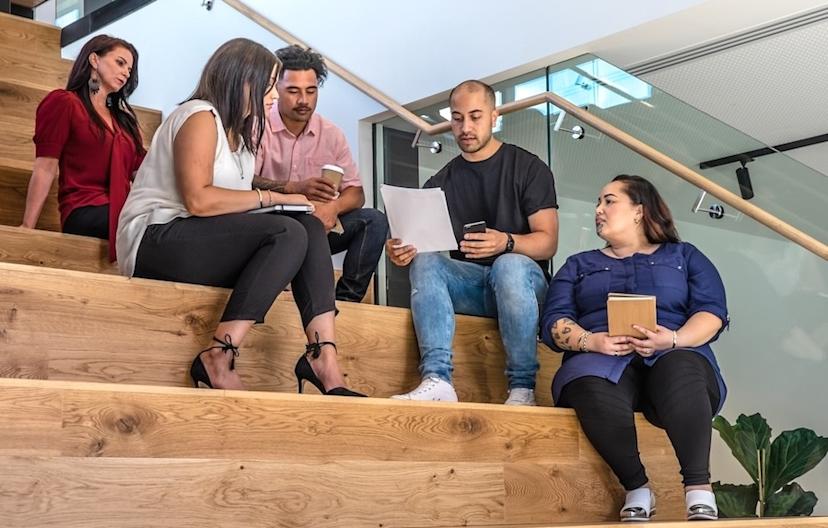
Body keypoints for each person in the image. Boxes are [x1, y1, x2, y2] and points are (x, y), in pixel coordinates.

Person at [116, 38, 363, 397]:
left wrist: (292, 200)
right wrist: (276, 197)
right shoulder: (200, 116)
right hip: (155, 239)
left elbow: (235, 198)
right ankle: (220, 354)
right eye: (268, 86)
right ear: (242, 81)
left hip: (200, 239)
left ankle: (323, 356)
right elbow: (199, 200)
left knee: (306, 225)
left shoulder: (243, 137)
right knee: (287, 231)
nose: (273, 98)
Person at [541, 175, 728, 521]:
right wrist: (590, 340)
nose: (598, 210)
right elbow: (554, 320)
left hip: (674, 353)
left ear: (639, 211)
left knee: (681, 367)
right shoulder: (578, 265)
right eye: (598, 203)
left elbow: (712, 312)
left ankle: (699, 488)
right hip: (601, 358)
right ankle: (637, 487)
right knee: (586, 381)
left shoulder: (684, 256)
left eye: (608, 201)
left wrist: (672, 339)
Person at [387, 80, 559, 406]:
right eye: (457, 118)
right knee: (426, 261)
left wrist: (505, 243)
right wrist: (402, 250)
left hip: (524, 287)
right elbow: (420, 246)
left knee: (508, 265)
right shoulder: (439, 183)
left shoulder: (529, 167)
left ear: (495, 116)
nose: (465, 127)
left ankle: (522, 389)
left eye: (475, 116)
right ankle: (437, 378)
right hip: (473, 287)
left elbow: (547, 243)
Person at [255, 45, 388, 303]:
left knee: (374, 220)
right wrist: (294, 187)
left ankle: (347, 301)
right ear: (275, 89)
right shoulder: (257, 125)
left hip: (317, 225)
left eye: (311, 91)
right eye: (293, 91)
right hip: (267, 225)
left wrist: (334, 208)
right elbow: (244, 181)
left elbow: (356, 193)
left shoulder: (332, 134)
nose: (304, 100)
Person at [22, 35, 145, 261]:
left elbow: (143, 175)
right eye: (120, 63)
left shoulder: (125, 123)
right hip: (84, 208)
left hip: (123, 209)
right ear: (94, 60)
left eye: (130, 68)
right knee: (147, 223)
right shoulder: (65, 103)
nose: (127, 72)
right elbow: (45, 168)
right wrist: (27, 227)